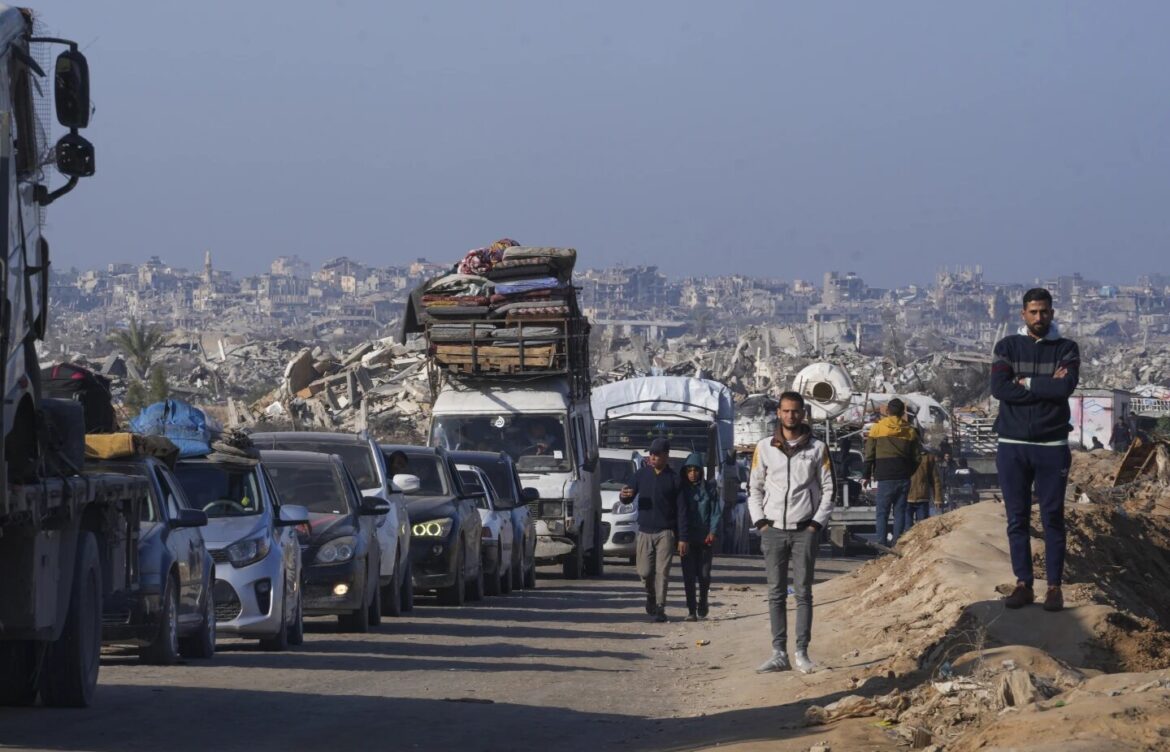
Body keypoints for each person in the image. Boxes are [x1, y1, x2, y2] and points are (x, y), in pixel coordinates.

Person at [990, 287, 1079, 612]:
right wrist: (1043, 386)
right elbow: (999, 388)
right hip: (1013, 445)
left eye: (1044, 312)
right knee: (1017, 518)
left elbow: (1064, 387)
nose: (1039, 317)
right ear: (1023, 314)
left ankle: (1053, 588)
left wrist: (1024, 382)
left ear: (1052, 313)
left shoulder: (1066, 349)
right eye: (1033, 312)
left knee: (1052, 516)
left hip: (1051, 445)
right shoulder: (1007, 347)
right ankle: (1023, 584)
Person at [749, 391, 834, 675]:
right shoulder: (764, 447)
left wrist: (816, 525)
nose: (790, 416)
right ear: (779, 413)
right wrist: (760, 522)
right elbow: (755, 488)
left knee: (803, 593)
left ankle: (802, 653)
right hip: (772, 530)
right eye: (785, 411)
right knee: (775, 593)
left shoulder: (817, 449)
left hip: (804, 531)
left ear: (803, 414)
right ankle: (778, 653)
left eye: (795, 411)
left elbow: (828, 489)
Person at [620, 437, 688, 623]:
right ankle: (650, 595)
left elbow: (682, 510)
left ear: (666, 455)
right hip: (644, 532)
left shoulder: (675, 479)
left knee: (662, 572)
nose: (653, 457)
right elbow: (628, 494)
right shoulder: (641, 474)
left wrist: (682, 538)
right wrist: (623, 495)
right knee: (644, 572)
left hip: (666, 533)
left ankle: (660, 607)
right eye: (651, 453)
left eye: (657, 454)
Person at [863, 398, 920, 546]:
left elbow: (869, 454)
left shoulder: (877, 428)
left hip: (884, 477)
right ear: (902, 412)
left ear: (887, 411)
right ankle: (896, 543)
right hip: (903, 477)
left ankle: (881, 545)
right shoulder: (910, 431)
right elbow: (917, 457)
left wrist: (866, 475)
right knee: (899, 512)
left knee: (882, 513)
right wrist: (909, 472)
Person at [679, 453, 722, 621]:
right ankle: (691, 610)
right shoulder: (682, 490)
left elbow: (715, 513)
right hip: (687, 539)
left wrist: (713, 532)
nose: (692, 474)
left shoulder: (709, 489)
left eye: (695, 470)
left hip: (704, 539)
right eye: (689, 470)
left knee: (703, 575)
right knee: (688, 576)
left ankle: (702, 601)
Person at [905, 449, 944, 528]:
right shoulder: (903, 454)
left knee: (923, 528)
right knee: (907, 528)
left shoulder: (927, 457)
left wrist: (938, 498)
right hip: (906, 497)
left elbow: (935, 480)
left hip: (922, 498)